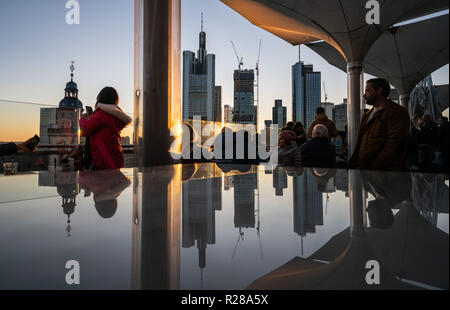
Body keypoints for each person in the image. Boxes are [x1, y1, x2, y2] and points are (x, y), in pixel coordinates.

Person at [349, 78, 410, 171]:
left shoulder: (397, 112)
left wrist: (374, 168)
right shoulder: (367, 115)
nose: (364, 95)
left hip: (385, 176)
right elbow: (360, 142)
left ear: (379, 90)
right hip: (365, 173)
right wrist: (354, 164)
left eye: (367, 90)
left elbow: (394, 145)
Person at [79, 87, 132, 170]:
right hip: (114, 157)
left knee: (101, 182)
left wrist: (82, 119)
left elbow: (85, 130)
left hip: (103, 159)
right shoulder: (114, 115)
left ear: (100, 98)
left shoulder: (102, 114)